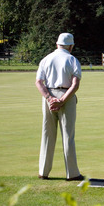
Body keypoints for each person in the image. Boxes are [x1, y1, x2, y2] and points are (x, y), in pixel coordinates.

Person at [35, 33, 84, 181]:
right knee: (68, 136)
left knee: (47, 135)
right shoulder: (72, 60)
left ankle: (43, 172)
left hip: (48, 96)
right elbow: (75, 85)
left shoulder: (46, 59)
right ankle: (72, 174)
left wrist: (50, 98)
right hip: (66, 96)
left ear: (57, 44)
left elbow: (38, 82)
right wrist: (62, 100)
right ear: (71, 46)